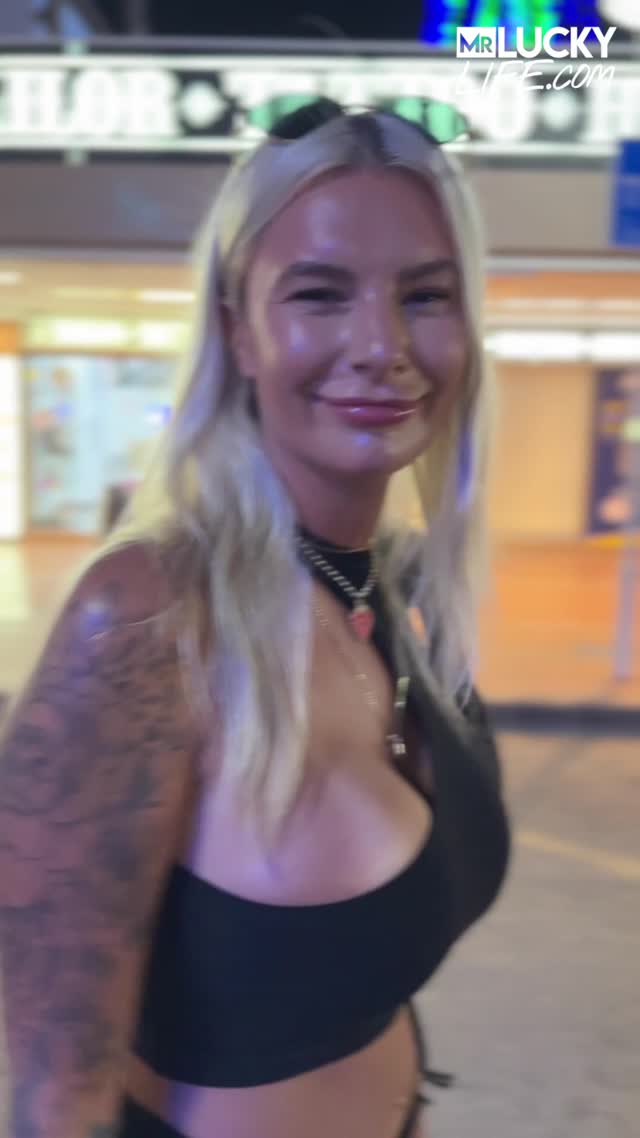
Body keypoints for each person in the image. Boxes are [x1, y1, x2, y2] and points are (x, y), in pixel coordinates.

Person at [0, 98, 511, 1138]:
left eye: (425, 295)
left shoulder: (403, 589)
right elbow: (56, 1092)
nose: (381, 345)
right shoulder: (145, 621)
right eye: (319, 294)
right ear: (238, 328)